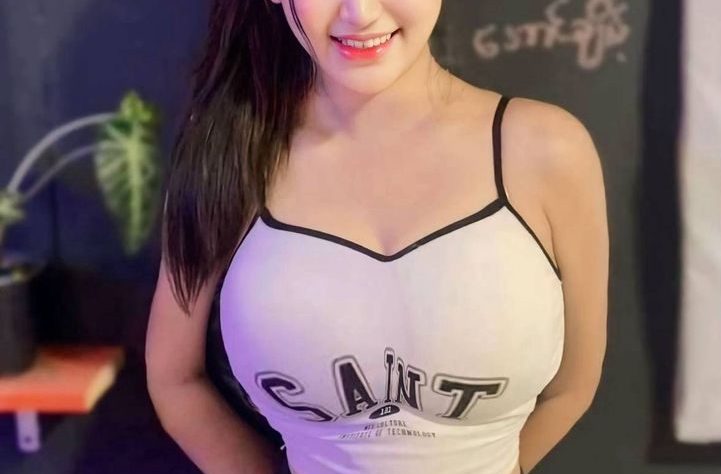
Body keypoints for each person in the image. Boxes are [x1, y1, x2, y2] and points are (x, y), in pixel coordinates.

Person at [145, 0, 609, 473]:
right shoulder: (229, 155)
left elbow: (573, 386)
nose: (360, 13)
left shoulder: (546, 151)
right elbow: (175, 379)